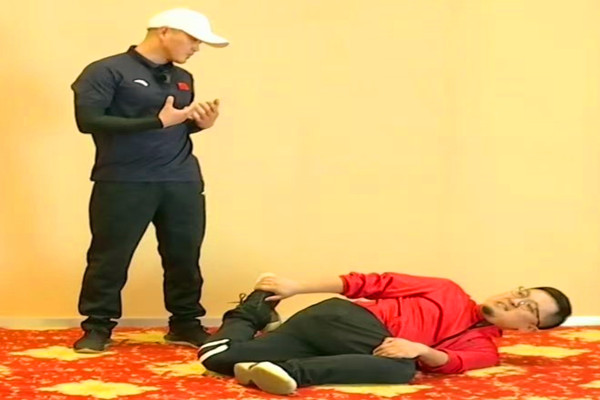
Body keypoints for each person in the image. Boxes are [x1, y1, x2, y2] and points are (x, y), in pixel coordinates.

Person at [70, 8, 229, 353]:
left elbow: (171, 126)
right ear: (165, 31)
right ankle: (97, 327)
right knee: (109, 257)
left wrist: (198, 124)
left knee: (184, 255)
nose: (196, 48)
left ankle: (185, 323)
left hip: (181, 178)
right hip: (123, 180)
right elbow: (89, 121)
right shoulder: (106, 71)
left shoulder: (183, 77)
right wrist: (156, 122)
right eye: (193, 39)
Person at [199, 272, 571, 395]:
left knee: (217, 359)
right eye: (521, 292)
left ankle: (252, 313)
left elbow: (450, 362)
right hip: (341, 319)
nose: (514, 300)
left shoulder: (486, 351)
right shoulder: (447, 290)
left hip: (340, 348)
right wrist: (298, 286)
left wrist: (420, 348)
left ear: (529, 328)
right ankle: (291, 371)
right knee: (401, 369)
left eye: (528, 307)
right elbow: (371, 282)